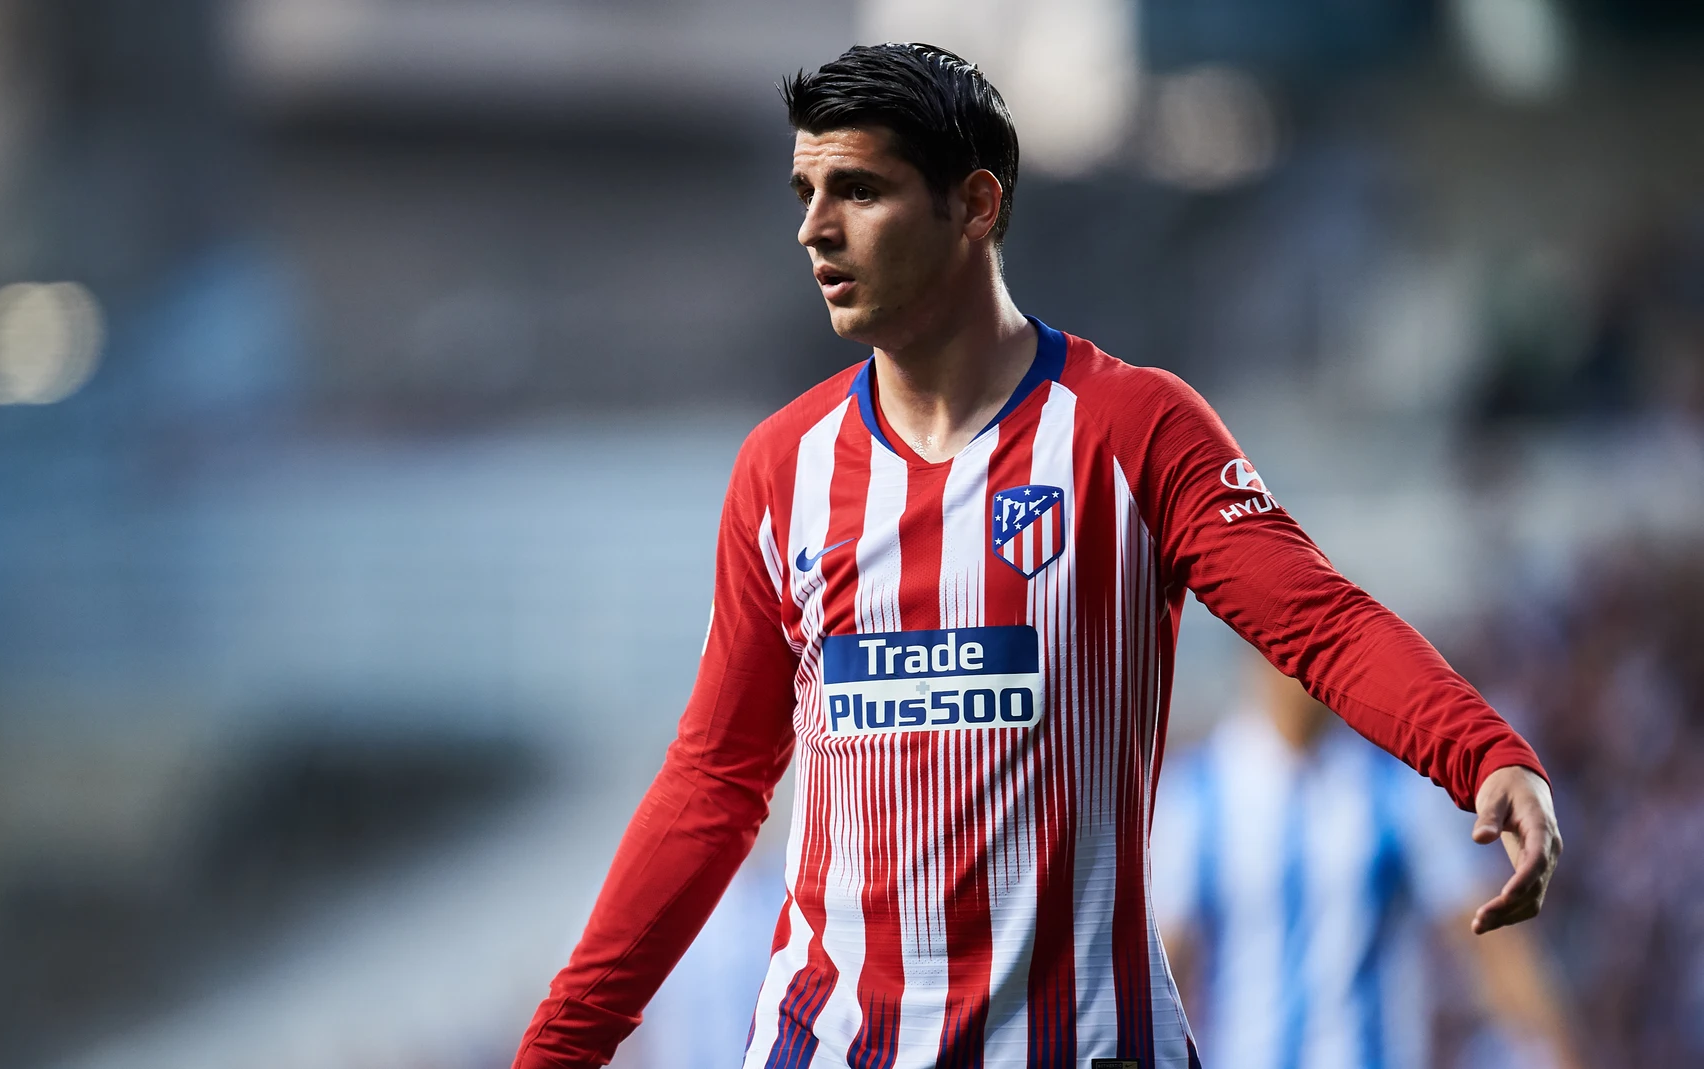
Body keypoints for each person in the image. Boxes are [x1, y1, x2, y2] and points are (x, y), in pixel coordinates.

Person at [512, 43, 1561, 1068]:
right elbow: (713, 781)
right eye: (803, 190)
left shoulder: (1129, 428)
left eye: (858, 191)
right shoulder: (782, 469)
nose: (813, 229)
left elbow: (1317, 622)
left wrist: (1478, 749)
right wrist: (564, 1041)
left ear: (972, 205)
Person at [1152, 658, 1581, 1069]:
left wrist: (1558, 1052)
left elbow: (1491, 945)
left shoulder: (1395, 785)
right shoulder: (1195, 795)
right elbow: (1156, 973)